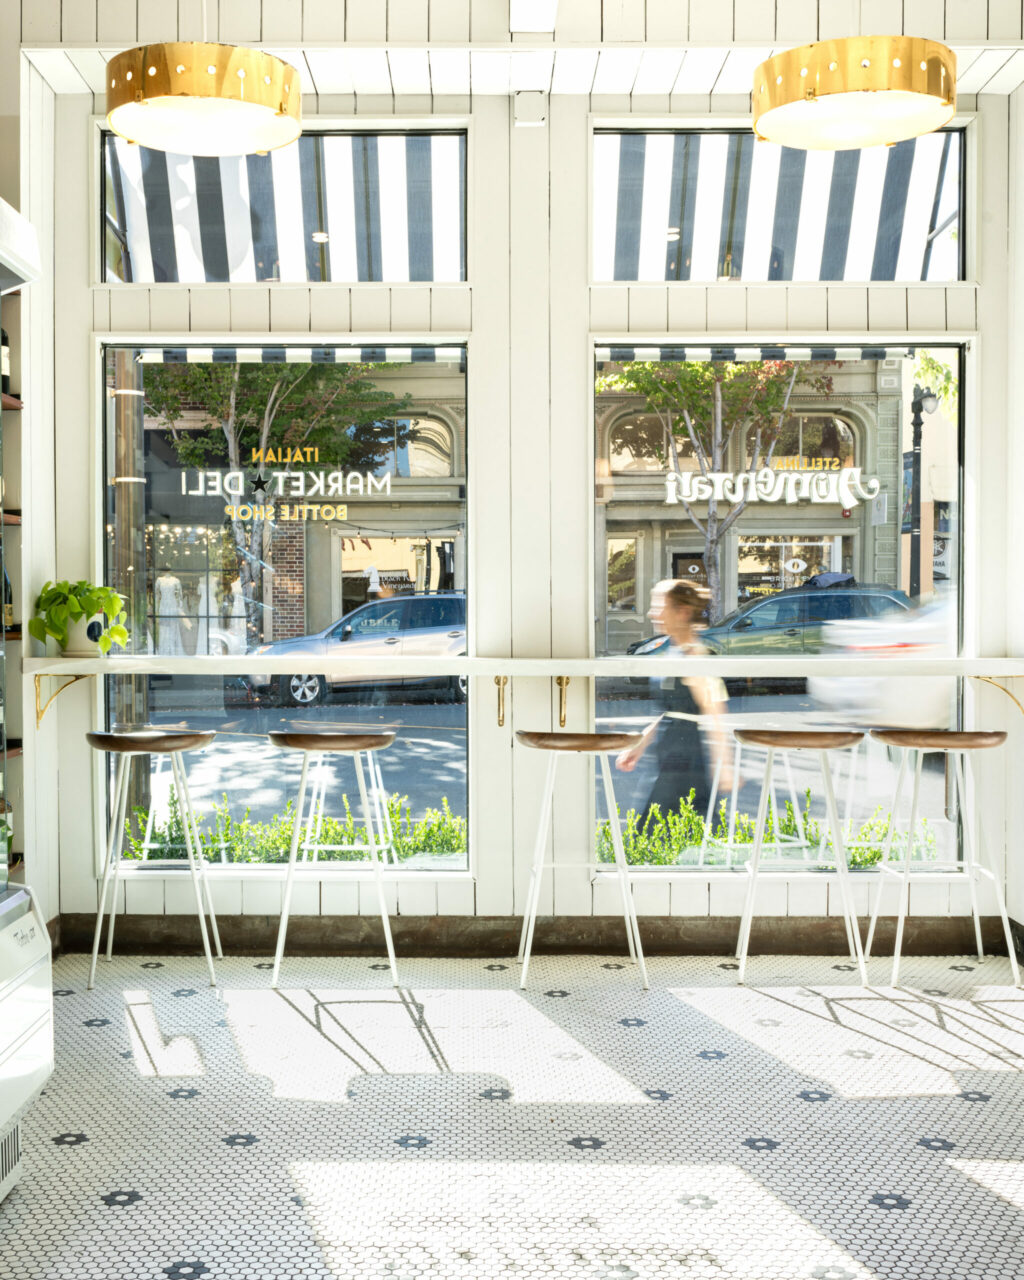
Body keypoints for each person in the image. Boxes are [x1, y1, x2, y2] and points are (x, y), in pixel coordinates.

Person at [616, 580, 729, 826]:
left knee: (649, 835)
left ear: (683, 612)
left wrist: (726, 765)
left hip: (685, 761)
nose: (651, 613)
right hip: (669, 759)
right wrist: (640, 745)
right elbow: (671, 710)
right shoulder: (673, 650)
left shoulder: (695, 655)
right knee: (697, 832)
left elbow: (715, 710)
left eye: (659, 606)